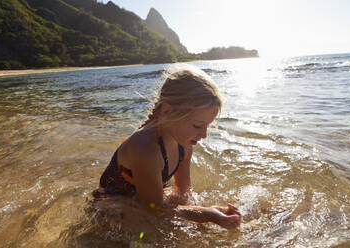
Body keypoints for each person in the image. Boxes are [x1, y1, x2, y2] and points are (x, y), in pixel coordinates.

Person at [94, 68, 241, 229]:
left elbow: (182, 192)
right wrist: (206, 215)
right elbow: (153, 211)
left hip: (145, 200)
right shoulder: (146, 149)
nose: (204, 134)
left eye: (207, 126)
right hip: (113, 205)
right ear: (167, 111)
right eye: (198, 125)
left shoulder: (184, 143)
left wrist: (207, 214)